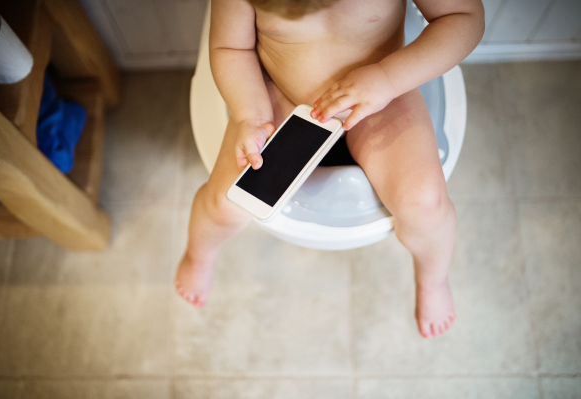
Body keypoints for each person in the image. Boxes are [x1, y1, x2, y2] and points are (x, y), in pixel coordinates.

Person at [174, 0, 484, 338]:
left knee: (425, 204)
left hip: (381, 94)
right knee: (224, 203)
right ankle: (199, 256)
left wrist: (388, 79)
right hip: (278, 95)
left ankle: (433, 280)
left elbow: (463, 18)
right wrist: (250, 114)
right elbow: (231, 47)